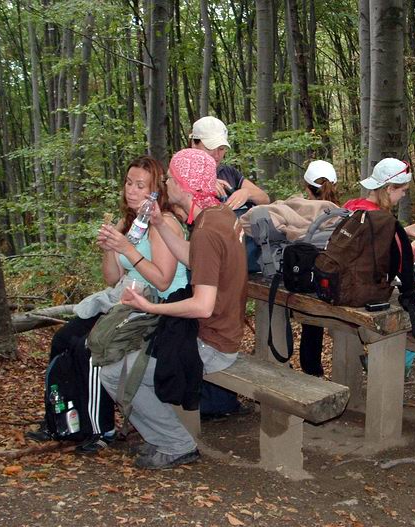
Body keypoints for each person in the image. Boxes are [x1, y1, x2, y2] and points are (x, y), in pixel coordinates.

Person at [99, 148, 248, 469]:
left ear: (186, 185)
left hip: (212, 343)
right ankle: (165, 438)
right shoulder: (218, 215)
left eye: (171, 179)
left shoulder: (209, 230)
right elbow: (196, 257)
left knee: (116, 375)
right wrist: (160, 225)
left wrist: (149, 307)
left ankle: (175, 443)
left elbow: (202, 305)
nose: (165, 183)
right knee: (127, 362)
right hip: (220, 332)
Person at [28, 156, 189, 452]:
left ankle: (100, 429)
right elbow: (112, 277)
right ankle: (63, 419)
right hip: (127, 297)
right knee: (63, 338)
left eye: (141, 185)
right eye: (129, 182)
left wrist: (126, 247)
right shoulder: (128, 221)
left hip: (159, 307)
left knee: (91, 346)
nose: (131, 190)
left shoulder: (162, 223)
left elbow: (163, 281)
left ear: (156, 191)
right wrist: (109, 249)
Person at [344, 158, 415, 377]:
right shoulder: (379, 218)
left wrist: (404, 231)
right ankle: (396, 367)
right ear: (388, 189)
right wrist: (414, 247)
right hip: (365, 291)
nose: (404, 195)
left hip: (347, 283)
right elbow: (386, 259)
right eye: (402, 190)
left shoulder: (353, 206)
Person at [298, 160, 340, 377]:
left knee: (309, 326)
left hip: (304, 282)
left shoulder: (299, 212)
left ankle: (312, 373)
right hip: (334, 284)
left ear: (307, 188)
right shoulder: (343, 216)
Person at [189, 116, 270, 214]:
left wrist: (247, 193)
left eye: (221, 148)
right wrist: (202, 186)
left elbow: (265, 199)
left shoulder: (228, 172)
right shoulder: (179, 174)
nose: (216, 155)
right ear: (194, 144)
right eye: (210, 148)